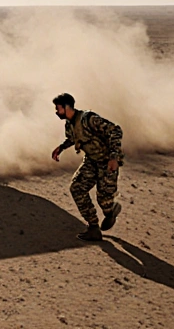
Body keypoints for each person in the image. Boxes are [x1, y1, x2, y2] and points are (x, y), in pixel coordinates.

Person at [51, 92, 124, 241]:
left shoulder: (88, 119)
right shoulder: (70, 124)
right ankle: (93, 228)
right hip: (91, 161)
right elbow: (73, 138)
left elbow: (115, 130)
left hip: (107, 162)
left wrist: (114, 157)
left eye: (58, 109)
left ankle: (110, 211)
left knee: (103, 199)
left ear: (67, 107)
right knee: (76, 188)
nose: (56, 112)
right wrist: (61, 147)